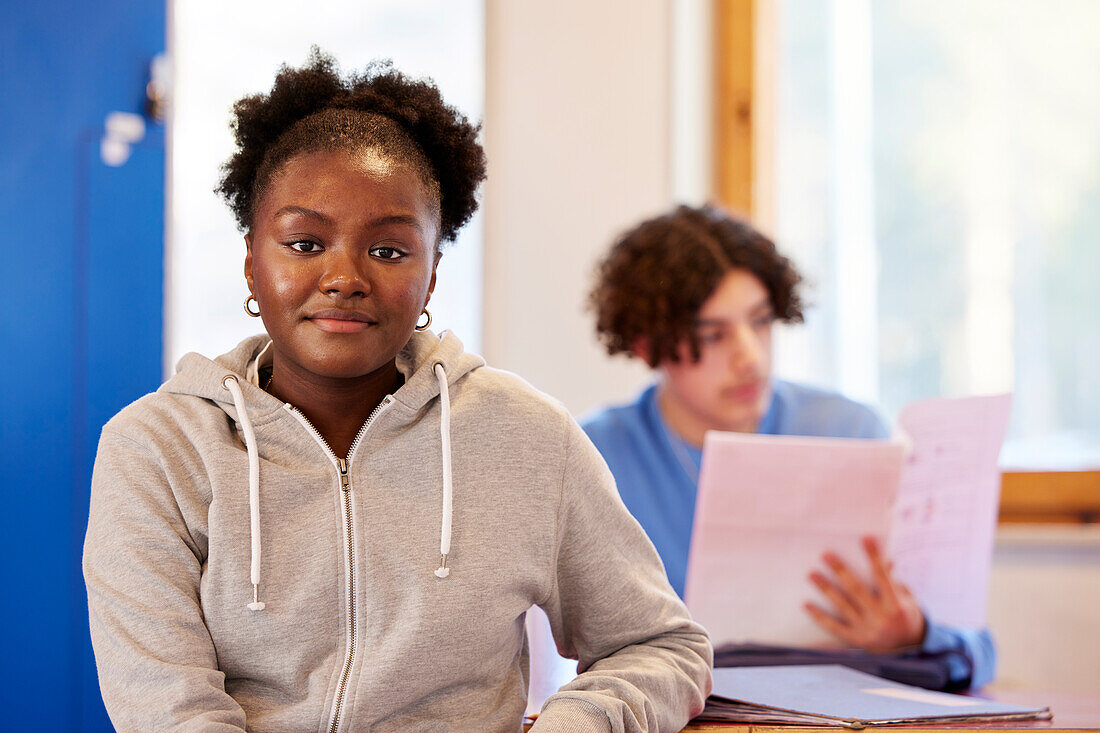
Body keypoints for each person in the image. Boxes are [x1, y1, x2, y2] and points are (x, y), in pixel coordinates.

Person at [83, 52, 711, 733]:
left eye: (388, 251)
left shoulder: (529, 436)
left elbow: (660, 645)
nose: (344, 276)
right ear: (251, 262)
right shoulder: (157, 450)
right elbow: (168, 711)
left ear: (432, 275)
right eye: (304, 242)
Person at [581, 203, 995, 689]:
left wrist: (912, 633)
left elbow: (978, 650)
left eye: (759, 322)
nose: (749, 357)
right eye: (712, 335)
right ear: (647, 347)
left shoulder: (850, 432)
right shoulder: (597, 455)